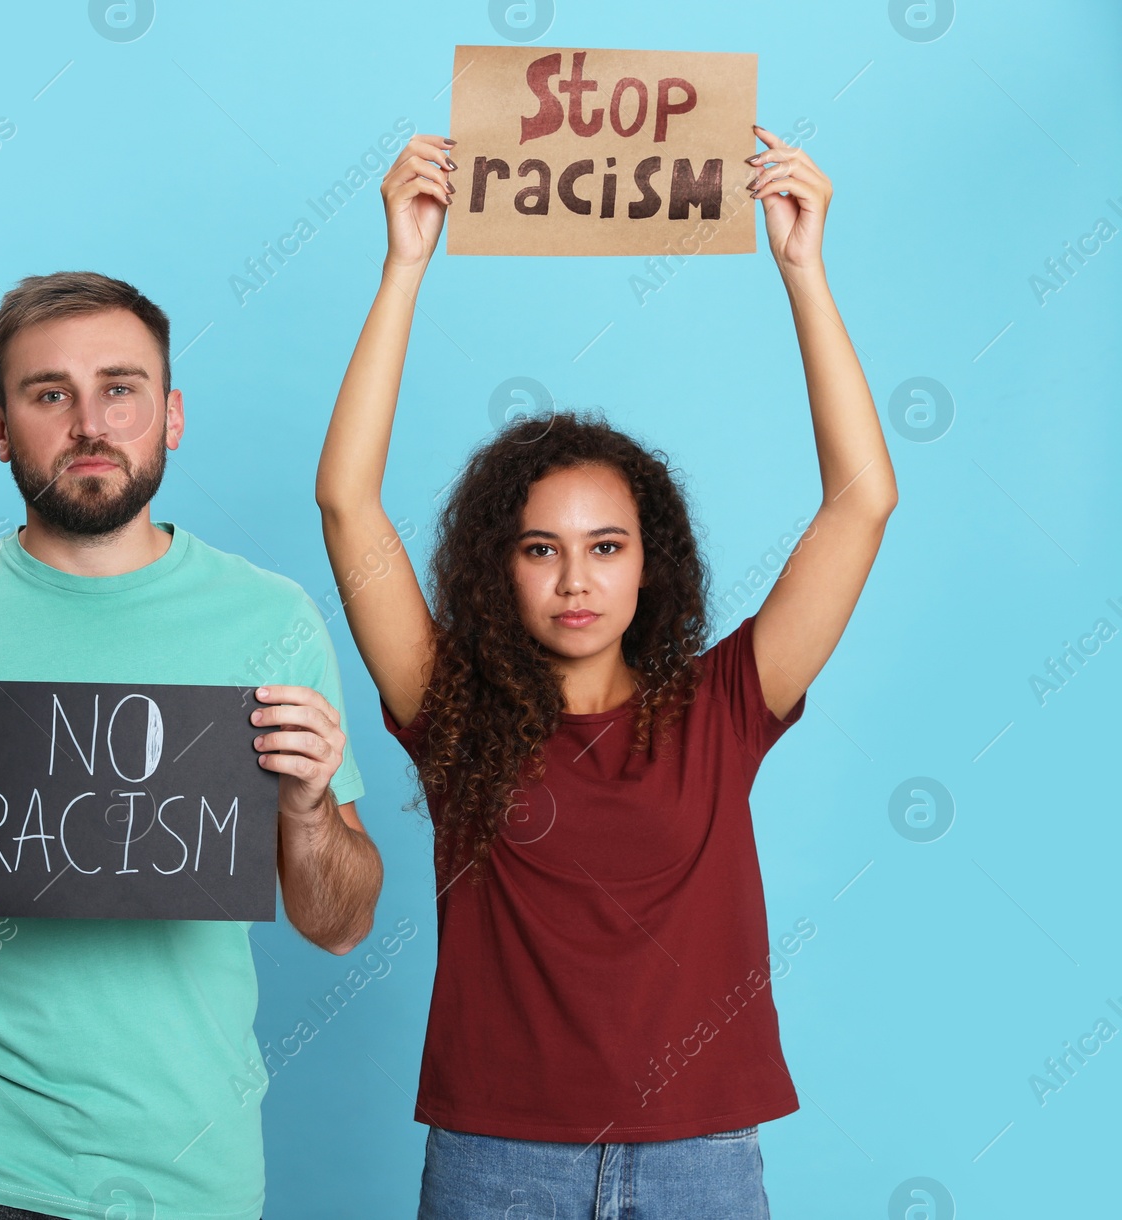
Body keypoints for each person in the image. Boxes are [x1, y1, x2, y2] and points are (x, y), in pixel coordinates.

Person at [314, 128, 896, 1218]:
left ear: (650, 563)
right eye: (541, 547)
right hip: (495, 1159)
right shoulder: (454, 713)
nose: (574, 577)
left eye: (606, 545)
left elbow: (861, 499)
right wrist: (402, 269)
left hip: (699, 1160)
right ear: (501, 569)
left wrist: (804, 273)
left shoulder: (726, 704)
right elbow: (347, 502)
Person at [0, 271, 383, 1220]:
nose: (89, 423)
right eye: (48, 394)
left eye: (120, 388)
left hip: (190, 1171)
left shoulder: (272, 620)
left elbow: (340, 924)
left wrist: (310, 811)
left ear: (171, 414)